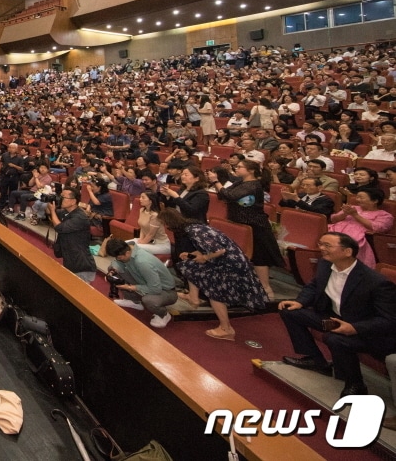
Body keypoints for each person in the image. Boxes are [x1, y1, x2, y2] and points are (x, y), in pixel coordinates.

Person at [279, 232, 396, 397]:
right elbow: (314, 285)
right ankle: (316, 360)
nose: (321, 248)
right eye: (321, 244)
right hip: (335, 319)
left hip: (365, 329)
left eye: (327, 246)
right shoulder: (325, 265)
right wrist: (301, 302)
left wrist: (354, 328)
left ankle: (356, 385)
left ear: (347, 252)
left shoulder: (376, 282)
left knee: (334, 339)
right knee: (290, 311)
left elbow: (388, 320)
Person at [160, 208, 267, 341]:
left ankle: (226, 329)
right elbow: (206, 249)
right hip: (225, 261)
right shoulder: (193, 226)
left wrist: (204, 257)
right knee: (188, 264)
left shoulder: (193, 232)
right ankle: (193, 297)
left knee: (213, 289)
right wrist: (191, 255)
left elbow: (219, 250)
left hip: (231, 265)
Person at [211, 160, 279, 299]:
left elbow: (230, 196)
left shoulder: (253, 185)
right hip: (240, 223)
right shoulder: (240, 182)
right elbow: (223, 196)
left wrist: (215, 181)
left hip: (255, 225)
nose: (237, 168)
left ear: (251, 171)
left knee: (259, 257)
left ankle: (266, 289)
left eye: (240, 167)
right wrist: (218, 185)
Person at [102, 237, 178, 328]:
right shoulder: (128, 249)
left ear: (127, 253)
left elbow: (155, 288)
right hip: (144, 281)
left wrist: (130, 287)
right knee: (115, 272)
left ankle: (163, 314)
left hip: (166, 291)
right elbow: (117, 263)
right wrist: (112, 271)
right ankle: (134, 301)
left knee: (148, 300)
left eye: (119, 257)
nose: (118, 259)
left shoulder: (142, 262)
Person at [326, 188, 394, 267]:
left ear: (375, 201)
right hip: (335, 230)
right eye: (357, 197)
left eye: (361, 198)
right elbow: (333, 219)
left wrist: (355, 215)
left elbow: (378, 228)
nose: (358, 200)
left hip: (359, 237)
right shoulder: (353, 207)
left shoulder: (384, 215)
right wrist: (345, 213)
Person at [47, 187, 96, 283]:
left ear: (73, 201)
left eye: (64, 197)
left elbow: (59, 228)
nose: (61, 199)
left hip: (81, 265)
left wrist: (52, 211)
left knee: (78, 291)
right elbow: (49, 213)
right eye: (60, 196)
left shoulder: (80, 217)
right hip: (71, 261)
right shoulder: (67, 212)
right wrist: (49, 202)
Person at [129, 190, 170, 255]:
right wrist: (140, 240)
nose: (140, 199)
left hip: (160, 244)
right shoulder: (142, 210)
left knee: (133, 248)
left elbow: (151, 234)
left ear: (150, 201)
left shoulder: (155, 215)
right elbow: (142, 227)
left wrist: (141, 243)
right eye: (140, 197)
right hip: (148, 241)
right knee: (125, 244)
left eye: (143, 197)